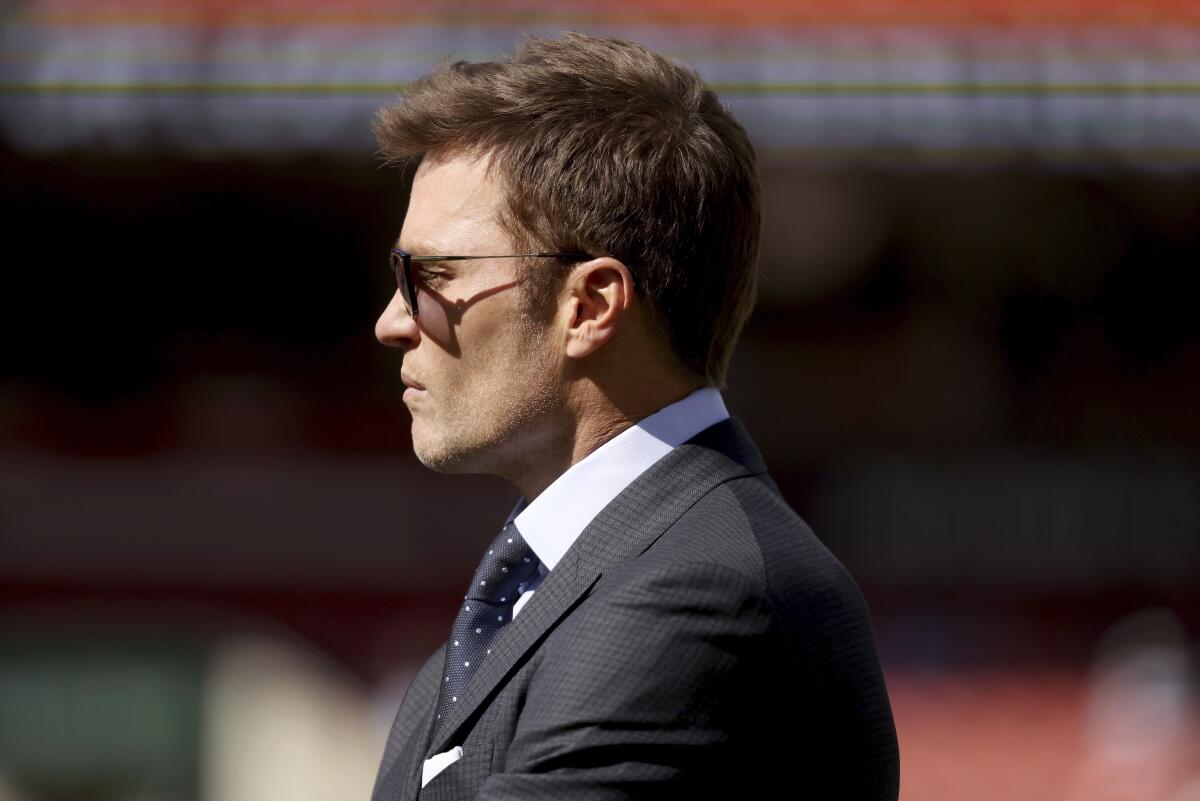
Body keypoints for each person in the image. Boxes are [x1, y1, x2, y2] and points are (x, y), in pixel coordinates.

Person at [369, 31, 899, 801]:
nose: (393, 320)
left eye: (434, 275)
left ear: (589, 305)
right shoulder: (560, 586)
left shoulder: (697, 593)